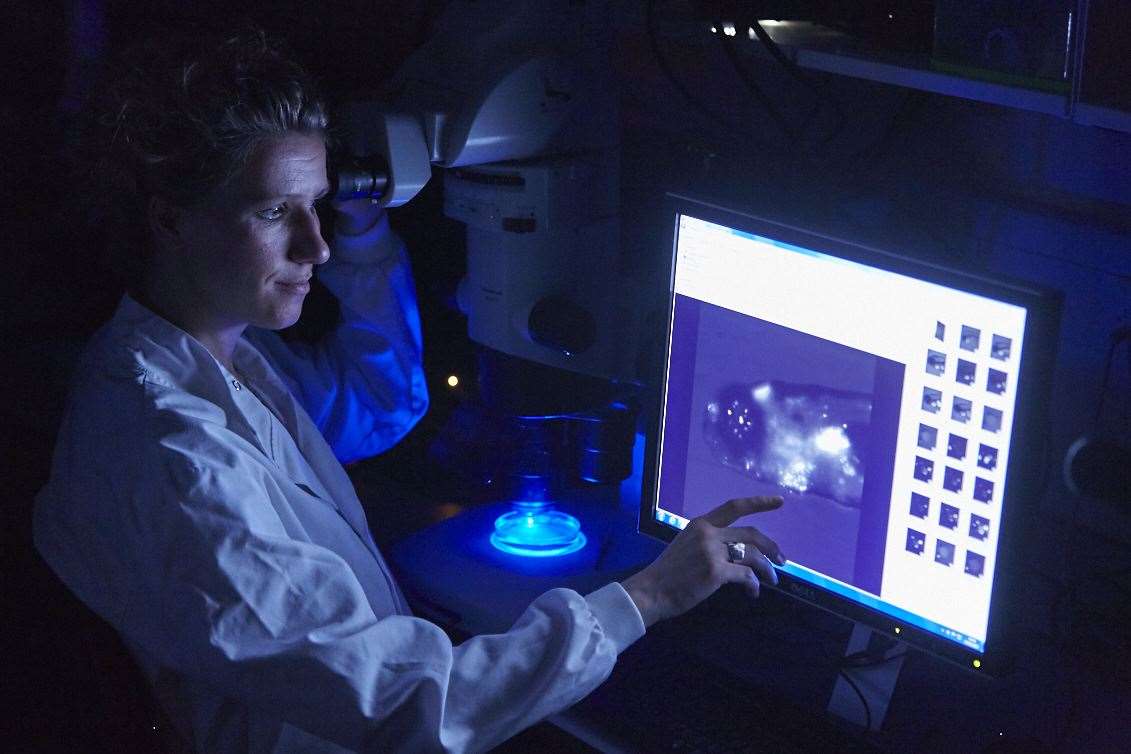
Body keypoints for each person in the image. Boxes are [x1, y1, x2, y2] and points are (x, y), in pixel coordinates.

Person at [32, 30, 786, 753]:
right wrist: (647, 598)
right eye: (273, 213)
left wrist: (365, 236)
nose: (314, 246)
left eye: (316, 205)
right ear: (169, 219)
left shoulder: (220, 355)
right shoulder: (171, 452)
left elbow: (378, 401)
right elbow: (403, 705)